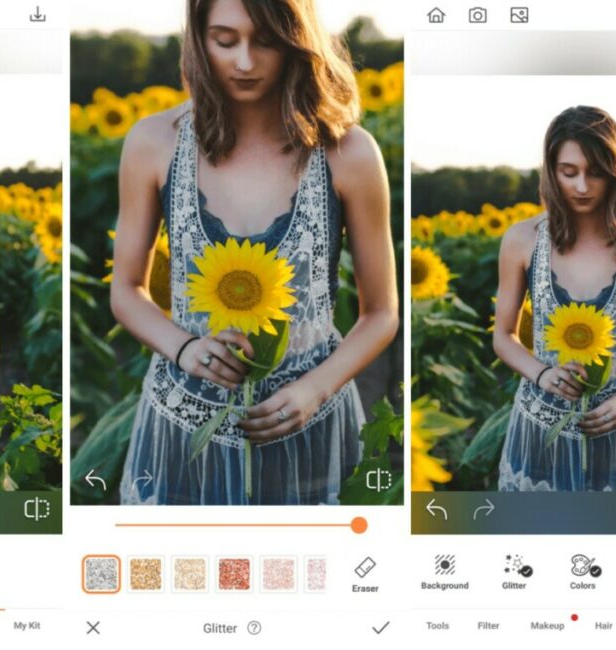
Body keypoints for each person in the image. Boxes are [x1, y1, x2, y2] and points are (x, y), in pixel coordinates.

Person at [112, 0, 399, 505]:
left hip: (310, 429)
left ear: (297, 41)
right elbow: (126, 291)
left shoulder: (348, 153)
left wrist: (315, 389)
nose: (244, 61)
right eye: (225, 40)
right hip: (184, 423)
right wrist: (184, 348)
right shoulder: (153, 143)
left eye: (264, 41)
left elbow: (381, 313)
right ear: (198, 40)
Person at [493, 105, 616, 491]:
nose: (582, 186)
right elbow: (503, 337)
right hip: (540, 430)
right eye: (569, 172)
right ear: (551, 171)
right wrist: (542, 373)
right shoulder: (521, 240)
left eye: (595, 172)